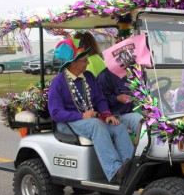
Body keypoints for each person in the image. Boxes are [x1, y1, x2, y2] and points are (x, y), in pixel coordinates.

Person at [48, 41, 133, 185]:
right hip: (68, 122)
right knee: (96, 125)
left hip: (90, 119)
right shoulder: (58, 82)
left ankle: (130, 166)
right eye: (84, 60)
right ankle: (114, 171)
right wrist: (81, 115)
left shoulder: (88, 77)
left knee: (118, 126)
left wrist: (107, 114)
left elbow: (100, 99)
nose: (88, 63)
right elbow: (56, 113)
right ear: (73, 63)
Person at [97, 68, 143, 136]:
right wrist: (117, 98)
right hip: (113, 115)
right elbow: (100, 100)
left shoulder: (132, 73)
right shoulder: (104, 75)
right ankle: (143, 144)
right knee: (137, 119)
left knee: (151, 117)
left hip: (131, 110)